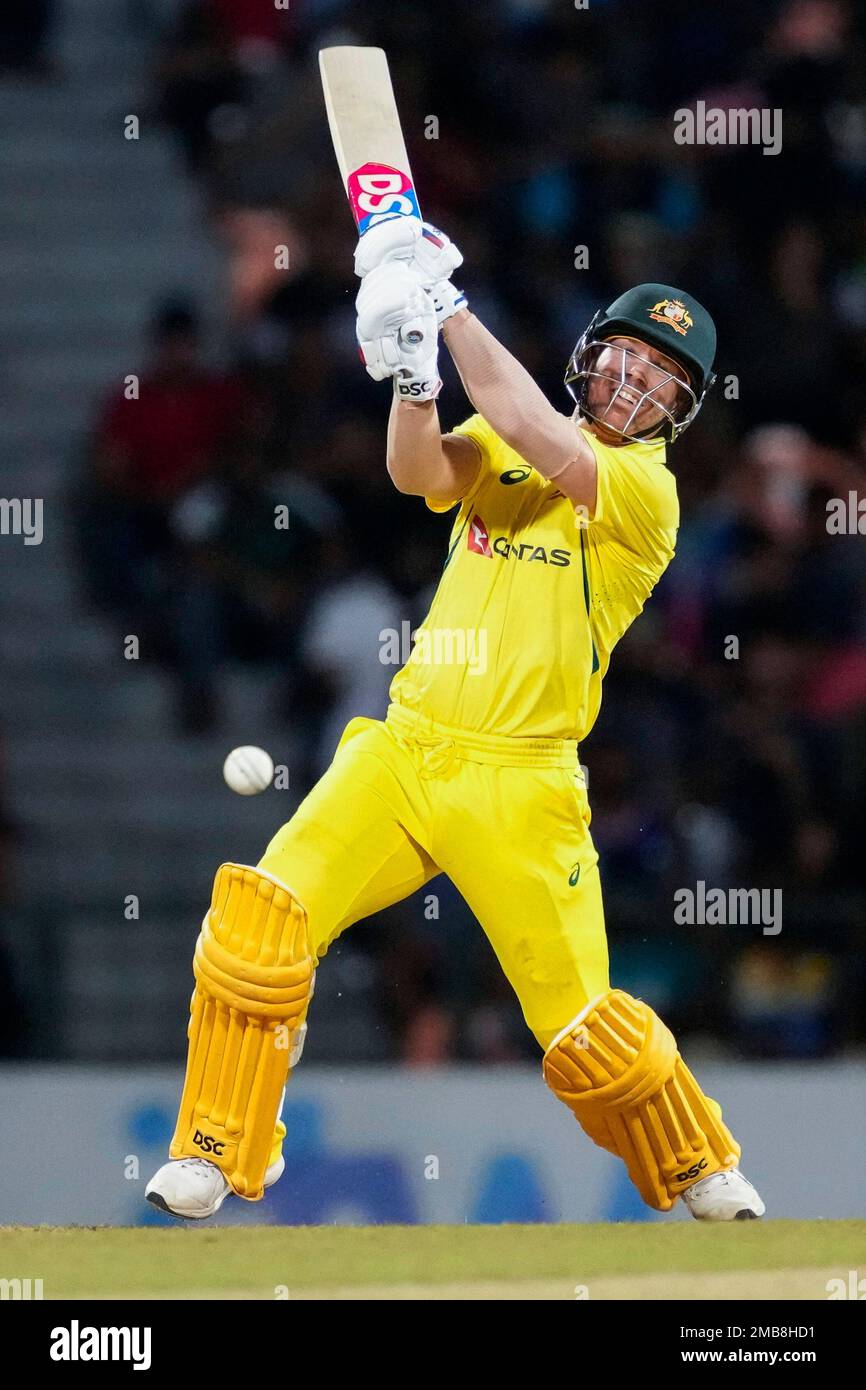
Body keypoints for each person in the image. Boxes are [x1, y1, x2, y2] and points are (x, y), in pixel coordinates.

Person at [146, 218, 765, 1222]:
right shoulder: (509, 438)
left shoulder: (639, 494)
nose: (633, 385)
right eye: (624, 358)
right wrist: (410, 375)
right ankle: (214, 1150)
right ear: (589, 355)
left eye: (660, 378)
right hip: (405, 748)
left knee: (578, 1031)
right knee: (259, 923)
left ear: (678, 412)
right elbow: (420, 474)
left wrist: (446, 307)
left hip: (521, 782)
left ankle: (697, 1160)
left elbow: (529, 427)